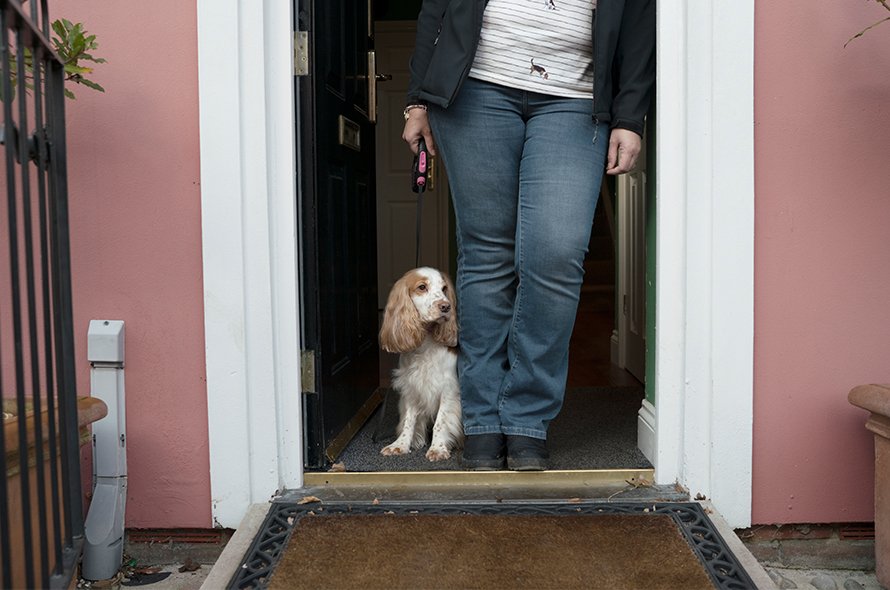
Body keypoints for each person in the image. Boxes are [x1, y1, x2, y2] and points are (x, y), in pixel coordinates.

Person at [402, 0, 655, 471]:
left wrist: (629, 116)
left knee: (556, 255)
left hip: (577, 99)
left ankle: (526, 418)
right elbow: (436, 9)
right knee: (486, 257)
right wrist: (418, 99)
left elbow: (639, 24)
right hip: (473, 90)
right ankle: (481, 422)